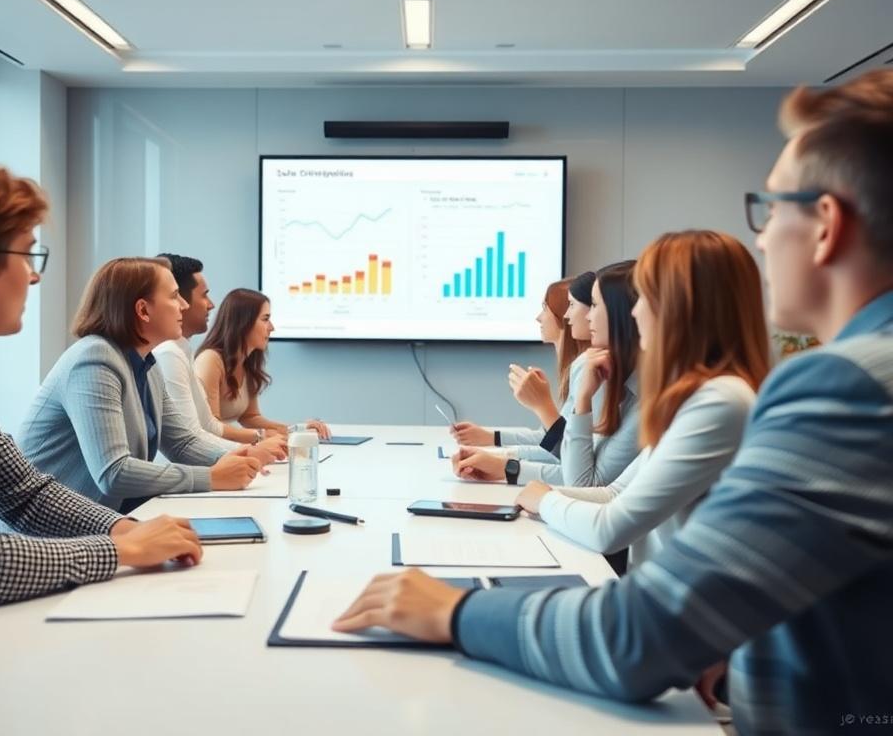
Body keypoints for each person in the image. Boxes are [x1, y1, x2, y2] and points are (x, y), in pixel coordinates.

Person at [333, 69, 893, 735]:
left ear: (826, 225)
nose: (764, 238)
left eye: (770, 210)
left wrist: (451, 611)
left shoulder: (848, 386)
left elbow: (638, 638)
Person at [0, 151, 202, 661]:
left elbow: (25, 492)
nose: (35, 277)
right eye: (28, 256)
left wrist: (124, 528)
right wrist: (119, 550)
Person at [515, 231, 770, 568]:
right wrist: (535, 491)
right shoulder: (694, 396)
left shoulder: (720, 402)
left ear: (681, 306)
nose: (633, 313)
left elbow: (610, 529)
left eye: (644, 297)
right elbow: (615, 494)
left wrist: (545, 501)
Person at [18, 258, 262, 513]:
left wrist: (242, 457)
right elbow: (113, 472)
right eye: (175, 296)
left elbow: (182, 442)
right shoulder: (94, 359)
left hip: (101, 518)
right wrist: (210, 477)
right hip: (50, 535)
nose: (184, 305)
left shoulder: (148, 362)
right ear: (143, 311)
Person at [452, 262, 641, 488]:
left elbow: (581, 476)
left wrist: (507, 464)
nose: (585, 316)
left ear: (621, 313)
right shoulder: (604, 372)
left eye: (594, 305)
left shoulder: (614, 383)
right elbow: (572, 456)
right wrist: (500, 455)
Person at [152, 253, 287, 460]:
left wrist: (289, 432)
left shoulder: (182, 350)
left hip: (200, 462)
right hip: (188, 468)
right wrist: (255, 444)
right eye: (204, 295)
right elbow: (189, 440)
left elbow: (205, 426)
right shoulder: (174, 354)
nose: (211, 304)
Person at [451, 272, 594, 447]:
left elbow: (565, 449)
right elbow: (550, 438)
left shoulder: (587, 370)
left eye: (545, 308)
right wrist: (492, 439)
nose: (539, 317)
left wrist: (542, 405)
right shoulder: (576, 369)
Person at [194, 288, 331, 439]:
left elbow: (250, 417)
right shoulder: (210, 360)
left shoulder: (247, 362)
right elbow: (211, 428)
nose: (272, 327)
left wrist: (298, 429)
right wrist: (261, 436)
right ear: (243, 323)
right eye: (265, 319)